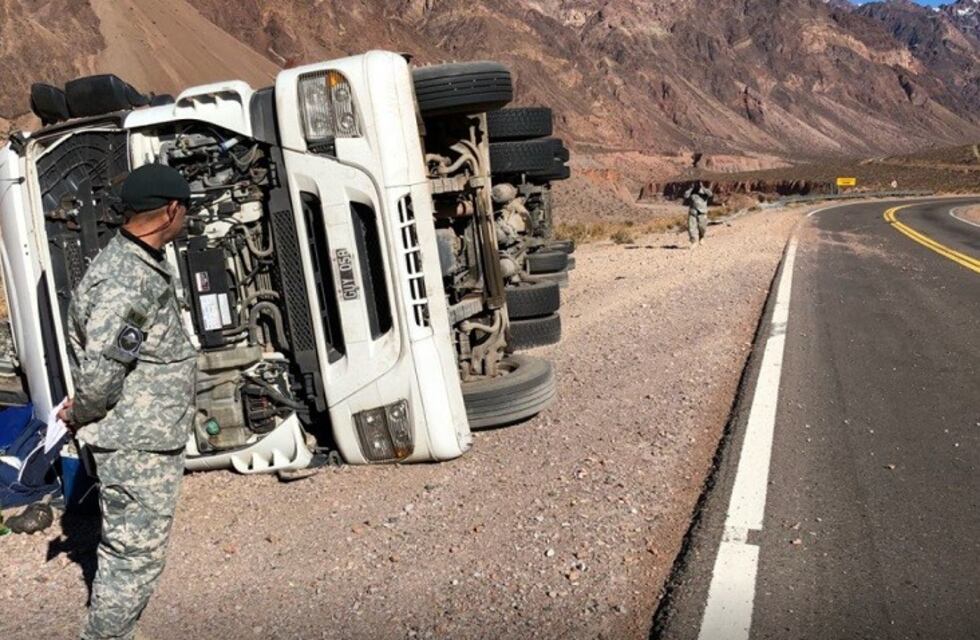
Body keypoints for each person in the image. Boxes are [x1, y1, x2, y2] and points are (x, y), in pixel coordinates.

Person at [58, 164, 198, 640]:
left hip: (143, 439)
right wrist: (79, 412)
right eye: (187, 209)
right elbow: (101, 373)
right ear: (170, 210)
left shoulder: (137, 263)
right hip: (135, 445)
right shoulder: (127, 281)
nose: (187, 218)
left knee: (130, 554)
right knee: (133, 559)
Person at [683, 180, 713, 248]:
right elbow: (685, 195)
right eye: (696, 183)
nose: (697, 184)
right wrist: (691, 188)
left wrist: (702, 187)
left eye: (698, 183)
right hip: (693, 211)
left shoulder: (705, 191)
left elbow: (710, 194)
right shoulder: (691, 191)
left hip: (702, 212)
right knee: (691, 227)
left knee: (702, 227)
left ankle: (701, 237)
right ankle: (693, 241)